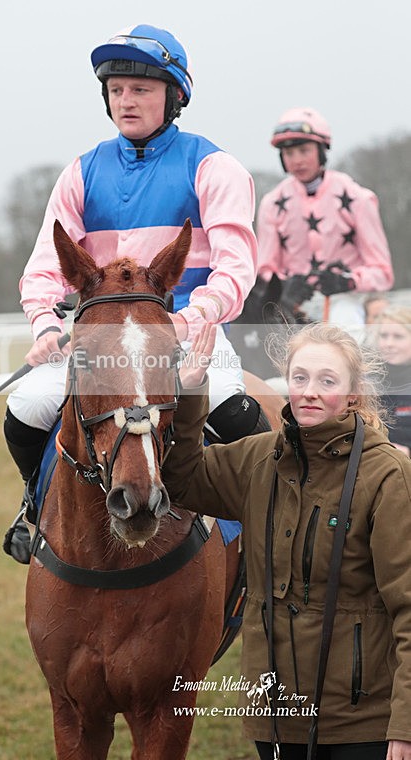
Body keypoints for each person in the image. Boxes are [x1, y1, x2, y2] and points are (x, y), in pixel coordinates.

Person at [3, 24, 260, 563]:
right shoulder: (80, 172)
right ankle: (33, 510)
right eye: (117, 90)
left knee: (233, 411)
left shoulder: (214, 166)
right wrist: (47, 327)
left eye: (141, 89)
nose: (127, 100)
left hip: (187, 333)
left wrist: (185, 323)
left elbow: (236, 270)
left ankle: (268, 531)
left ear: (174, 97)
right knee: (26, 407)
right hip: (99, 342)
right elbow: (44, 270)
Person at [165, 321, 411, 760]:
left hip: (362, 722)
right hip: (277, 717)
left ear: (354, 394)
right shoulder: (258, 457)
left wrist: (406, 724)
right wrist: (191, 390)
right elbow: (181, 480)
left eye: (327, 381)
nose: (309, 391)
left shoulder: (388, 475)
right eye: (300, 378)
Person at [253, 107, 394, 328]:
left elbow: (383, 272)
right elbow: (265, 269)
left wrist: (348, 280)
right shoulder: (271, 203)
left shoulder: (358, 198)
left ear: (321, 150)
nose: (297, 160)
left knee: (345, 322)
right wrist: (285, 284)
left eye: (304, 150)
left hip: (347, 300)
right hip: (293, 304)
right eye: (289, 153)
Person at [376, 305, 411, 457]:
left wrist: (408, 452)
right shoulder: (367, 380)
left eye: (398, 337)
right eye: (384, 336)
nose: (389, 343)